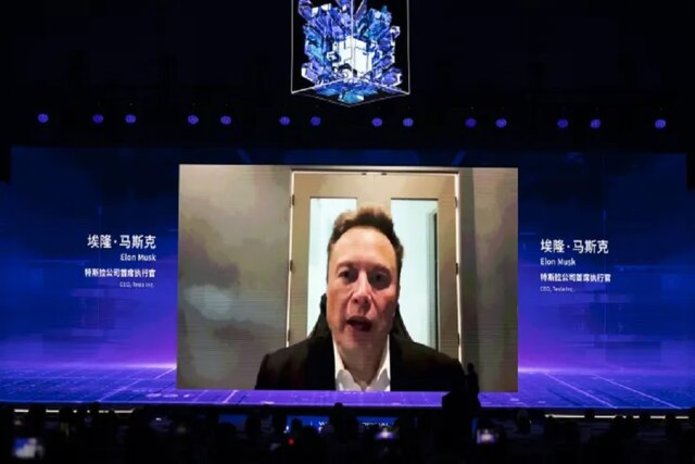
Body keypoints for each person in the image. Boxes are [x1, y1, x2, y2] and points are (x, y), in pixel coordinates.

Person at [255, 205, 465, 391]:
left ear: (397, 293)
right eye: (347, 274)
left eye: (378, 278)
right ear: (327, 286)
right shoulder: (279, 376)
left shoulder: (444, 380)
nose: (362, 293)